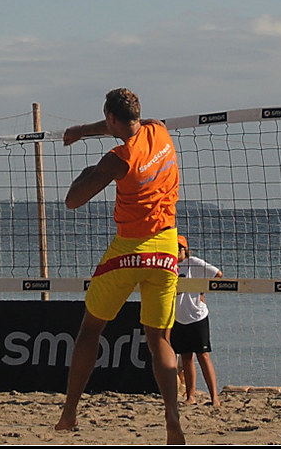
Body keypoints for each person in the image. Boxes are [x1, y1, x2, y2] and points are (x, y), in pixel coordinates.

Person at [54, 88, 185, 445]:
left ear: (111, 118)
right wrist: (82, 129)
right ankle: (172, 417)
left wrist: (88, 172)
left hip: (130, 250)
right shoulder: (159, 130)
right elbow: (118, 124)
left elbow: (72, 201)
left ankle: (69, 413)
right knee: (158, 338)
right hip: (167, 249)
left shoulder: (118, 158)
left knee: (90, 330)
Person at [172, 234, 222, 406]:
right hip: (179, 318)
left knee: (203, 356)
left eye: (180, 247)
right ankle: (190, 397)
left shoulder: (193, 262)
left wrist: (202, 291)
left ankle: (214, 397)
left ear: (186, 249)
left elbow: (218, 275)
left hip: (197, 316)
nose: (177, 250)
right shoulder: (169, 266)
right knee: (186, 358)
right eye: (174, 247)